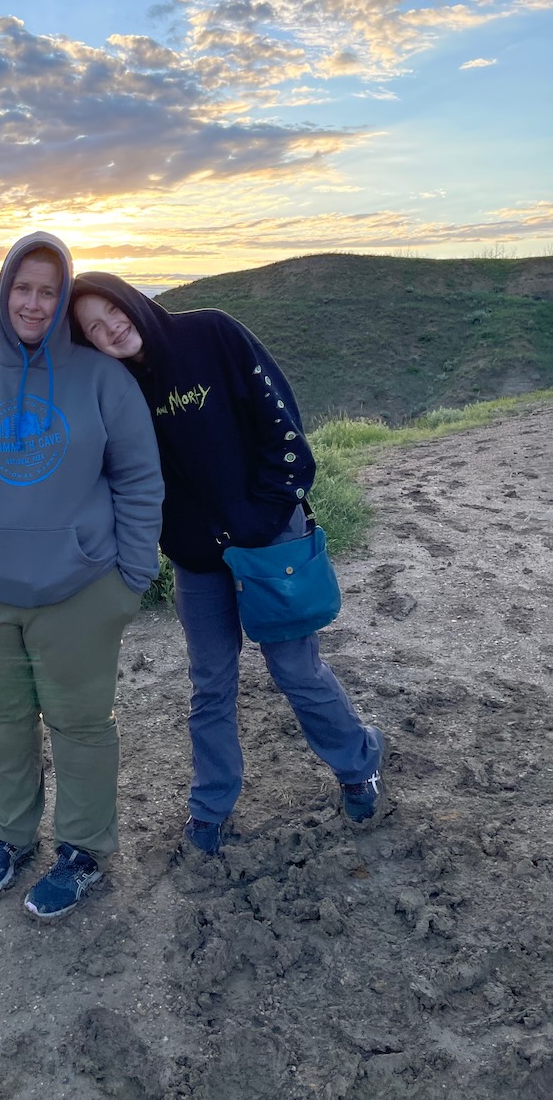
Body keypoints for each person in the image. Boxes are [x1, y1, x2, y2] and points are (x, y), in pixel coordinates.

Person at [69, 273, 387, 856]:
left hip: (267, 537)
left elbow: (282, 430)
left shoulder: (212, 334)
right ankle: (211, 805)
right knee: (210, 684)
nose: (109, 328)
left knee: (296, 669)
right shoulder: (111, 389)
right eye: (92, 328)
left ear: (131, 300)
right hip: (197, 561)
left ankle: (358, 762)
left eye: (111, 310)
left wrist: (264, 516)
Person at [0, 234, 163, 919]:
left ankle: (82, 851)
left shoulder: (102, 380)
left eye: (48, 291)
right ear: (3, 293)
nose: (33, 301)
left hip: (79, 592)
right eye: (22, 287)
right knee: (5, 717)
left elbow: (140, 481)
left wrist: (130, 579)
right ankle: (9, 837)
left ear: (63, 300)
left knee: (81, 724)